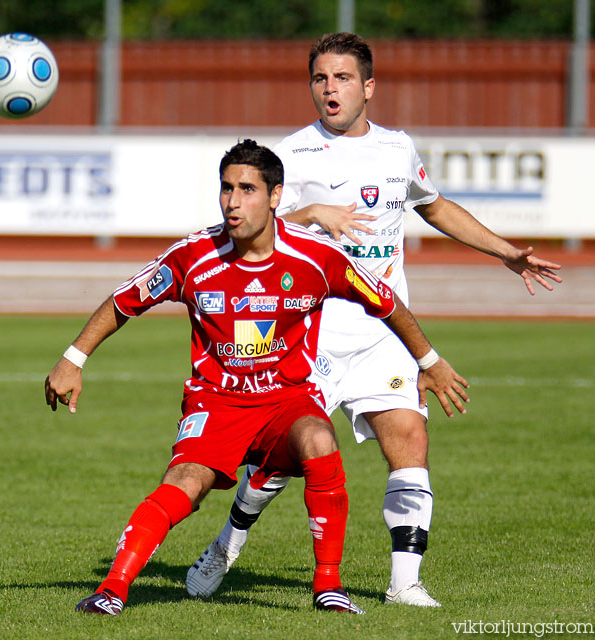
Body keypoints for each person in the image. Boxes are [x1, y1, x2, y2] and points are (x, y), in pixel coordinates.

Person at [186, 33, 563, 608]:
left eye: (340, 78)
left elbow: (433, 205)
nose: (329, 89)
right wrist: (309, 211)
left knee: (409, 438)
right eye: (319, 78)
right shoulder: (292, 153)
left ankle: (405, 583)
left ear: (368, 87)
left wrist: (504, 250)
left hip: (383, 331)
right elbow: (249, 226)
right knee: (281, 462)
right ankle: (225, 546)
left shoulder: (397, 149)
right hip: (308, 335)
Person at [44, 139, 469, 617]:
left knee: (318, 438)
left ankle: (328, 585)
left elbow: (387, 303)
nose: (232, 201)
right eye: (226, 188)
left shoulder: (316, 257)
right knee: (185, 481)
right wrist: (72, 358)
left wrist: (429, 361)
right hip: (216, 403)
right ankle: (113, 589)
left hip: (286, 403)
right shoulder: (193, 256)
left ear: (274, 195)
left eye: (247, 189)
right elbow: (125, 301)